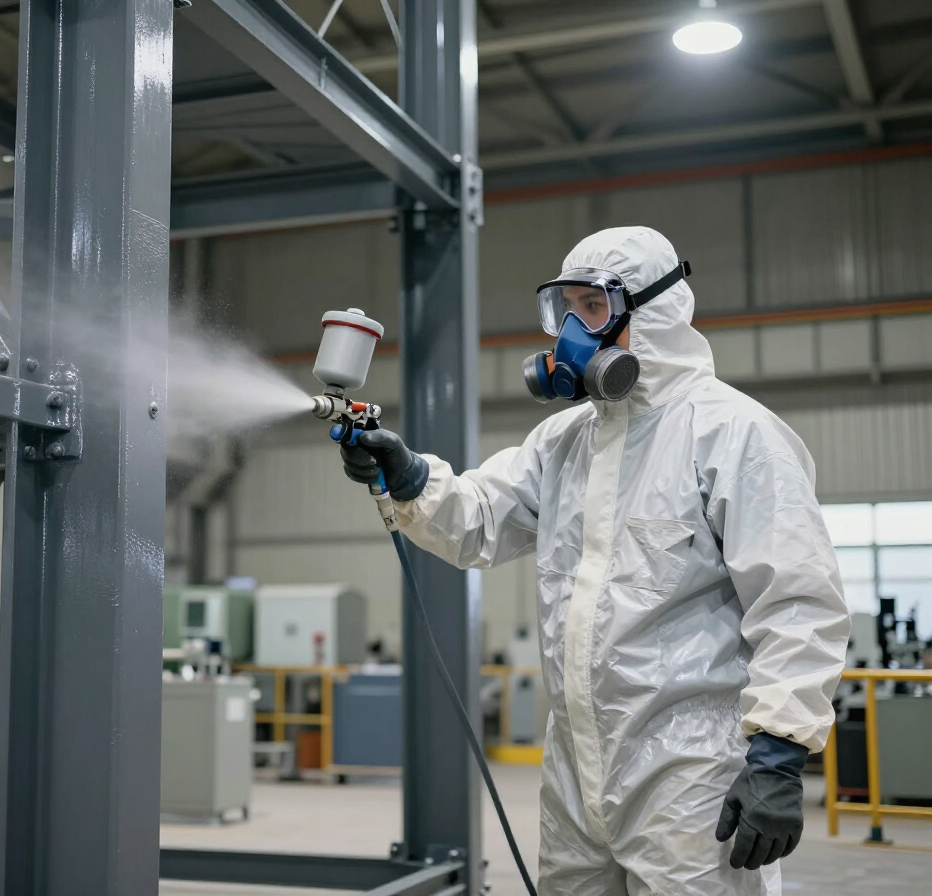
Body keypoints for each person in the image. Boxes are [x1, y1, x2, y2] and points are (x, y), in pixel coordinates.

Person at [339, 226, 850, 896]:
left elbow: (798, 601)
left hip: (691, 777)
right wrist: (408, 476)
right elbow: (481, 520)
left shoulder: (734, 434)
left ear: (655, 313)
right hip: (577, 772)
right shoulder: (562, 441)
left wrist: (781, 752)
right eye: (566, 309)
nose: (575, 330)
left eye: (596, 308)